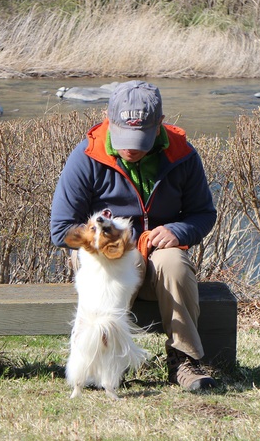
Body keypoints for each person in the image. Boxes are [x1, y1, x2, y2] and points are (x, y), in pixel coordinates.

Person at [50, 80, 218, 391]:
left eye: (140, 140)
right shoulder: (86, 156)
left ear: (160, 125)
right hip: (106, 258)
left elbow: (204, 213)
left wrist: (177, 230)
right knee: (106, 269)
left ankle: (183, 361)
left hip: (158, 264)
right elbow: (61, 229)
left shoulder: (183, 155)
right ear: (106, 118)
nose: (130, 148)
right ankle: (104, 361)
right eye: (124, 137)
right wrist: (107, 241)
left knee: (174, 262)